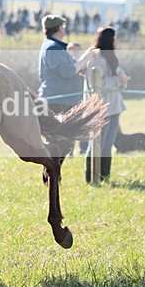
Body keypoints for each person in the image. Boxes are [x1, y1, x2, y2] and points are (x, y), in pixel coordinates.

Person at [83, 26, 130, 182]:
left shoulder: (112, 59)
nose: (117, 41)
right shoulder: (95, 58)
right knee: (96, 143)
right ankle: (91, 177)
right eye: (114, 38)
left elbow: (122, 83)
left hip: (115, 107)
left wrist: (122, 81)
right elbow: (96, 84)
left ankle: (105, 176)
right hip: (100, 108)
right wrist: (118, 80)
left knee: (108, 144)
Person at [37, 15, 97, 116]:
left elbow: (75, 67)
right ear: (59, 28)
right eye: (63, 26)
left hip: (63, 102)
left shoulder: (55, 47)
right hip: (58, 104)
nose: (64, 28)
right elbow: (67, 72)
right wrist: (86, 58)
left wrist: (87, 57)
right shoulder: (53, 48)